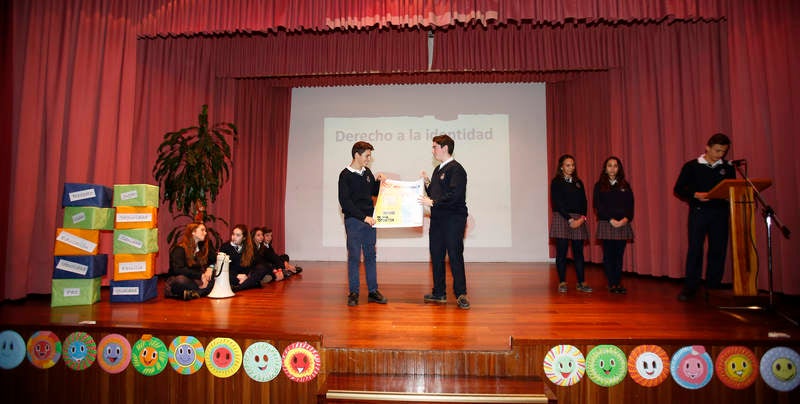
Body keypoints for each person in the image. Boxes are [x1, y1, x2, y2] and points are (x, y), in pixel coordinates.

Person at [673, 133, 736, 301]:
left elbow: (733, 189)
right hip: (699, 212)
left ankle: (713, 287)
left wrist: (727, 196)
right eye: (717, 150)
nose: (720, 155)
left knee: (718, 250)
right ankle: (690, 287)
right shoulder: (692, 166)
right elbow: (679, 189)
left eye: (723, 151)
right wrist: (695, 194)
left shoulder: (728, 168)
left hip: (720, 213)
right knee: (695, 249)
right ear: (707, 147)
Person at [419, 134, 470, 309]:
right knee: (437, 255)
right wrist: (427, 184)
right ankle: (439, 292)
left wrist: (432, 202)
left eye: (435, 147)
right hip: (439, 219)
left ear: (445, 148)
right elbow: (436, 194)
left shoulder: (456, 169)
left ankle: (461, 294)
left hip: (453, 219)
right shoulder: (438, 170)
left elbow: (455, 195)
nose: (433, 150)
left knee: (454, 255)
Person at [338, 141, 388, 306]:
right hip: (354, 221)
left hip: (370, 221)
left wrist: (379, 182)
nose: (369, 159)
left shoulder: (367, 172)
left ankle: (373, 291)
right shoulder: (345, 175)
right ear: (356, 155)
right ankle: (354, 292)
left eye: (370, 156)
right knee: (354, 257)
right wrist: (363, 217)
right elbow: (345, 203)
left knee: (370, 256)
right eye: (367, 155)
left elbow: (372, 192)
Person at [550, 154, 592, 293]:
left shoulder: (578, 182)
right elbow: (557, 203)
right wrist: (569, 219)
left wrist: (582, 218)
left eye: (573, 165)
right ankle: (562, 282)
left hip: (578, 219)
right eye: (568, 165)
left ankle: (581, 282)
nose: (571, 167)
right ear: (561, 167)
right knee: (561, 252)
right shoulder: (556, 182)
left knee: (578, 253)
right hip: (562, 218)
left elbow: (584, 202)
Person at [593, 156, 634, 294]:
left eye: (615, 166)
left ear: (619, 168)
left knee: (618, 255)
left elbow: (630, 206)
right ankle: (611, 283)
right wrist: (611, 220)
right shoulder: (599, 186)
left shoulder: (625, 185)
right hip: (607, 223)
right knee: (608, 256)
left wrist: (625, 220)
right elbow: (598, 206)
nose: (612, 168)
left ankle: (618, 282)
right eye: (609, 165)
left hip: (622, 224)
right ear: (605, 169)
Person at [164, 222, 216, 300]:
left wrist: (210, 269)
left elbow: (214, 260)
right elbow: (178, 270)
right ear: (193, 232)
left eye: (205, 231)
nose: (205, 233)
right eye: (202, 230)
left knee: (216, 278)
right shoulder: (179, 249)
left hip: (196, 280)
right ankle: (202, 291)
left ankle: (194, 293)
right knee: (180, 280)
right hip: (181, 279)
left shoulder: (203, 247)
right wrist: (201, 275)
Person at [219, 224, 270, 292]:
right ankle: (250, 284)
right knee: (224, 275)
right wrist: (237, 275)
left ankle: (238, 288)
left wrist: (247, 276)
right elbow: (221, 267)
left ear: (244, 238)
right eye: (233, 234)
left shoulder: (249, 248)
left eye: (238, 235)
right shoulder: (225, 247)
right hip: (232, 275)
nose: (234, 237)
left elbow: (256, 263)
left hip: (245, 277)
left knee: (263, 268)